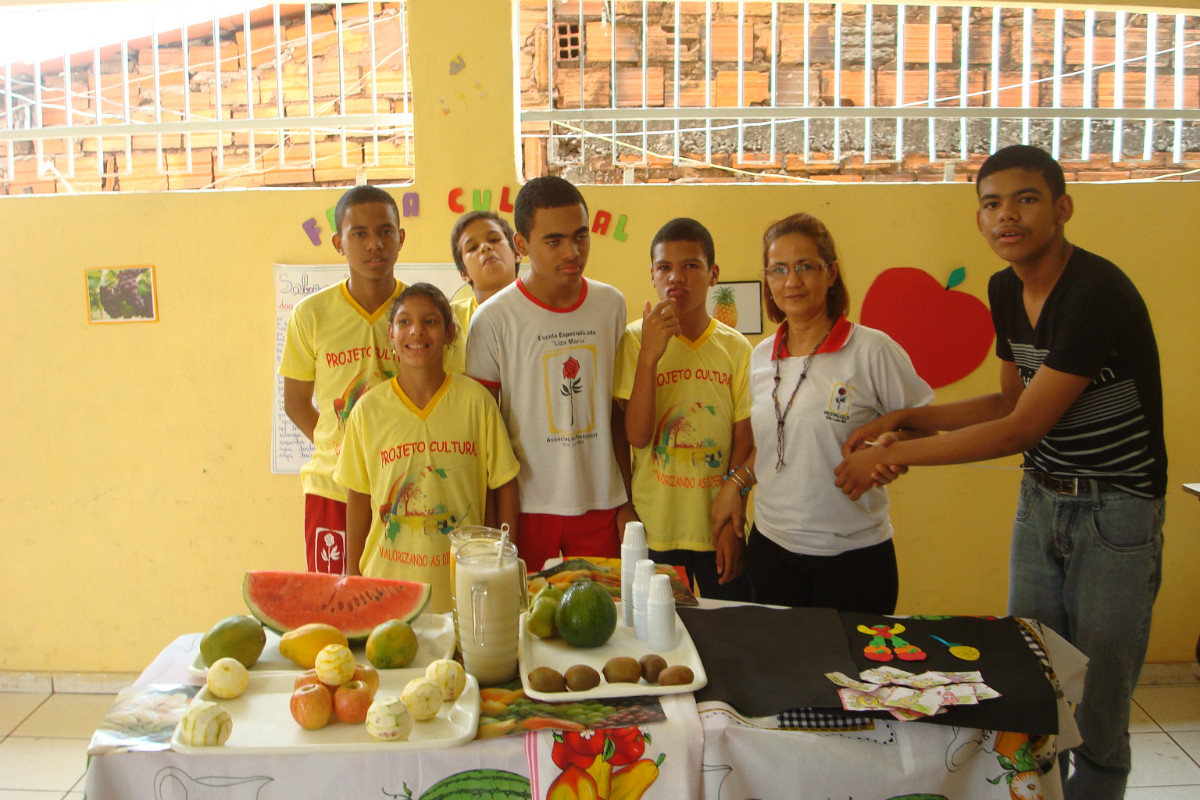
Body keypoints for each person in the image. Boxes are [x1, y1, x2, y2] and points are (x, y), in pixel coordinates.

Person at [835, 144, 1166, 800]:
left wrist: (890, 453)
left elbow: (1020, 429)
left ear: (1063, 207)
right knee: (1030, 681)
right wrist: (905, 418)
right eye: (991, 203)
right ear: (979, 219)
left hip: (1115, 510)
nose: (1005, 215)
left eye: (1025, 199)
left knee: (1097, 706)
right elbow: (1009, 400)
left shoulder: (1094, 291)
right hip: (1041, 497)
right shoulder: (1005, 288)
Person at [710, 212, 933, 614]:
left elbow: (926, 428)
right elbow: (779, 438)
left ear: (831, 274)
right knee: (783, 673)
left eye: (805, 267)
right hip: (772, 550)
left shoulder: (871, 350)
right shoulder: (762, 357)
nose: (791, 282)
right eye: (778, 270)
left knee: (849, 676)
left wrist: (891, 448)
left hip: (853, 559)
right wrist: (737, 483)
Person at [465, 175, 634, 571]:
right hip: (525, 508)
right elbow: (484, 438)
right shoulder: (492, 320)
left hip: (602, 504)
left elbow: (615, 413)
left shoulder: (611, 305)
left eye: (580, 236)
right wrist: (493, 524)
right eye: (554, 241)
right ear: (521, 244)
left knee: (601, 623)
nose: (572, 251)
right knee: (526, 623)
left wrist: (627, 501)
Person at [333, 283, 520, 614]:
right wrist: (351, 574)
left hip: (464, 585)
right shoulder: (368, 410)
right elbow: (359, 497)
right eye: (404, 322)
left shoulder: (476, 402)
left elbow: (503, 484)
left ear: (449, 333)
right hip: (385, 587)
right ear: (390, 334)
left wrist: (504, 560)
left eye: (430, 321)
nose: (416, 331)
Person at [614, 217, 754, 600]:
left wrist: (732, 515)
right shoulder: (634, 340)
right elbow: (636, 436)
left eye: (691, 265)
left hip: (717, 525)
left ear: (713, 274)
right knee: (658, 638)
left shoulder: (736, 348)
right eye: (665, 267)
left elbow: (745, 437)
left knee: (730, 633)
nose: (677, 277)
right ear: (653, 276)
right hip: (655, 527)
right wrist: (649, 359)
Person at [279, 185, 406, 574]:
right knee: (335, 607)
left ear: (401, 238)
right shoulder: (311, 314)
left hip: (400, 485)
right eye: (359, 234)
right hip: (331, 489)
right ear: (338, 243)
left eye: (385, 231)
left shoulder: (419, 313)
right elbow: (296, 402)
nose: (374, 245)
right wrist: (340, 447)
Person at [443, 210, 520, 374]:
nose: (485, 247)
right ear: (464, 273)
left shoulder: (542, 311)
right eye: (472, 247)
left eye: (494, 239)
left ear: (517, 253)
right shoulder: (448, 319)